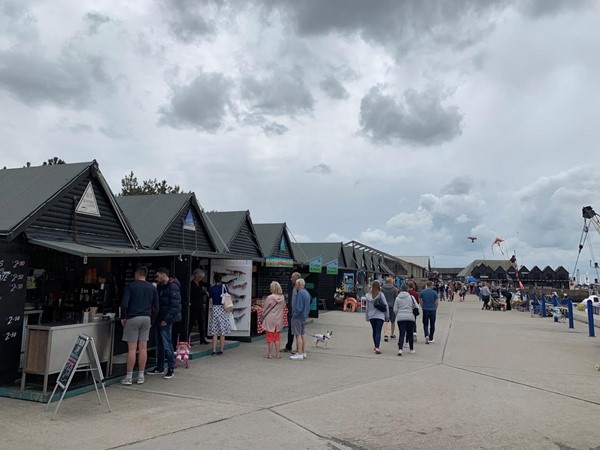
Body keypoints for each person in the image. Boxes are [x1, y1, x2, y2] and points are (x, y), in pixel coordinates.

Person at [120, 266, 159, 385]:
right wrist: (151, 320)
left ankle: (129, 377)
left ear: (137, 274)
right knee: (143, 348)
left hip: (133, 317)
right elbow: (156, 307)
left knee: (132, 348)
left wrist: (123, 317)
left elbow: (124, 304)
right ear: (146, 275)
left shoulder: (131, 286)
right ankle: (141, 375)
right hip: (146, 318)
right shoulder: (152, 288)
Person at [148, 267, 181, 379]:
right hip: (158, 318)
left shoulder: (173, 286)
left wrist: (166, 320)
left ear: (163, 275)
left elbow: (175, 306)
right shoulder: (160, 286)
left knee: (167, 344)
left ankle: (171, 368)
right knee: (160, 345)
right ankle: (160, 367)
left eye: (157, 276)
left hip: (165, 319)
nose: (156, 278)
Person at [207, 273, 232, 356]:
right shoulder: (224, 288)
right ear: (221, 279)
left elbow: (210, 301)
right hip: (223, 309)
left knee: (214, 332)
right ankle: (221, 350)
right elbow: (229, 298)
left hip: (215, 309)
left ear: (214, 279)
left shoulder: (211, 289)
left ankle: (213, 350)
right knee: (222, 332)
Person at [262, 281, 285, 359]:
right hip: (278, 319)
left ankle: (270, 354)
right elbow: (283, 307)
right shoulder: (282, 297)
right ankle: (278, 354)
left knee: (270, 337)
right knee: (277, 338)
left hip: (270, 319)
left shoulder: (270, 297)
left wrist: (262, 314)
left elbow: (264, 308)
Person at [365, 280, 389, 354]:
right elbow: (386, 305)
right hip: (380, 315)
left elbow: (367, 307)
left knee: (374, 331)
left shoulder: (368, 295)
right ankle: (377, 347)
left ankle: (375, 346)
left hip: (371, 315)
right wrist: (387, 315)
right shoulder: (381, 294)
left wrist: (367, 316)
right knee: (378, 331)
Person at [290, 278, 311, 360]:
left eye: (296, 283)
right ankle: (303, 352)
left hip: (298, 317)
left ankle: (299, 353)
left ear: (299, 284)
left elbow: (298, 307)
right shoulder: (306, 293)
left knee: (298, 335)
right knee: (302, 335)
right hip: (304, 317)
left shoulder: (300, 293)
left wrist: (294, 315)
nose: (295, 285)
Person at [394, 285, 418, 356]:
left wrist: (398, 314)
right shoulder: (411, 297)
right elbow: (416, 306)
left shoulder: (397, 298)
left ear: (400, 290)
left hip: (401, 318)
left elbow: (395, 309)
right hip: (410, 317)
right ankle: (411, 349)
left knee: (402, 334)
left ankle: (400, 349)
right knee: (410, 333)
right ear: (407, 290)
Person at [189, 268, 209, 345]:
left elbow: (207, 284)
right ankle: (187, 339)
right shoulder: (192, 284)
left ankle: (202, 338)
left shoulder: (200, 283)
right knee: (191, 323)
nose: (200, 278)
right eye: (199, 277)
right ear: (196, 276)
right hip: (194, 306)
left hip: (199, 306)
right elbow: (196, 293)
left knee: (201, 322)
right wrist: (204, 292)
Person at [283, 272, 301, 353]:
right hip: (291, 312)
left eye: (292, 277)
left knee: (298, 332)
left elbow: (309, 299)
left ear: (297, 279)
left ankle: (298, 349)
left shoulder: (302, 288)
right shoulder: (290, 286)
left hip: (297, 313)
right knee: (290, 330)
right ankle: (288, 346)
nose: (291, 279)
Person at [381, 277, 398, 342]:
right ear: (391, 282)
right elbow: (396, 298)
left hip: (385, 306)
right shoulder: (394, 289)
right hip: (392, 306)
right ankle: (392, 334)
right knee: (393, 321)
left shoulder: (382, 289)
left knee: (385, 320)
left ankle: (385, 334)